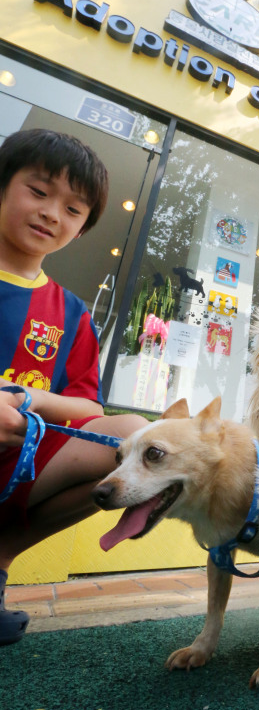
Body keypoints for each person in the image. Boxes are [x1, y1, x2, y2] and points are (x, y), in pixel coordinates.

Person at [0, 128, 147, 646]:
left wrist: (23, 403)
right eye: (38, 192)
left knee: (133, 440)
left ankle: (0, 560)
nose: (51, 214)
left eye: (73, 209)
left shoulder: (72, 313)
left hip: (17, 461)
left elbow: (87, 405)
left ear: (82, 229)